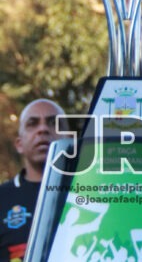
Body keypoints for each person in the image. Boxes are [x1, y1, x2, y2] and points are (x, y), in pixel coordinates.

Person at [0, 98, 66, 262]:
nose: (43, 129)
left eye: (53, 123)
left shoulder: (91, 195)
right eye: (33, 123)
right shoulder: (2, 198)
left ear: (71, 138)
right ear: (19, 144)